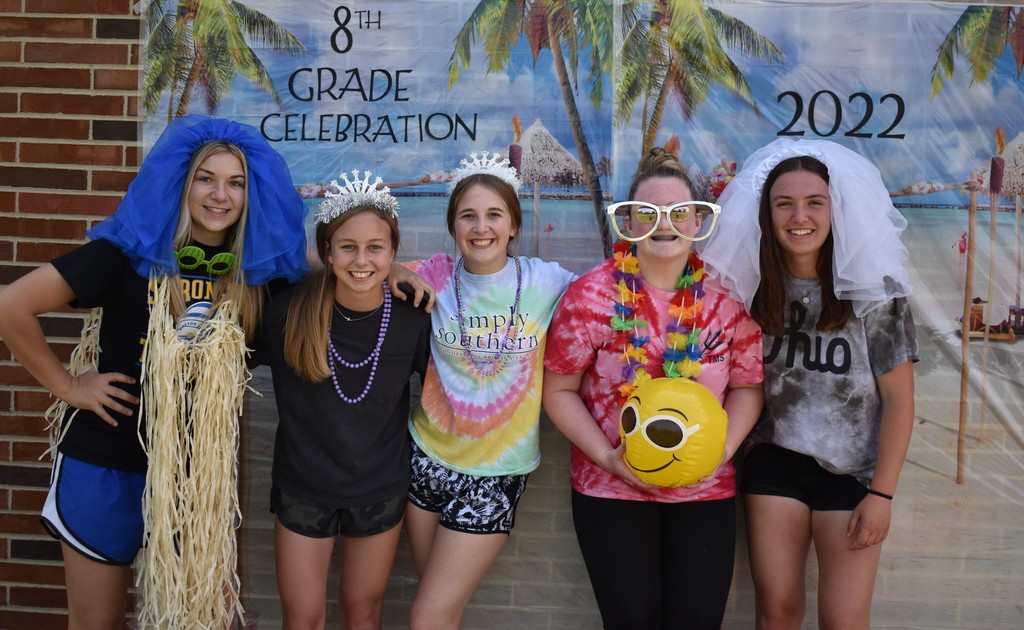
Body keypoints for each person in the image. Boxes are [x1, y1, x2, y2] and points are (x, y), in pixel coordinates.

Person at [0, 115, 309, 630]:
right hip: (106, 464)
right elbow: (11, 306)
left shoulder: (257, 274)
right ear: (180, 183)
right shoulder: (127, 255)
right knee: (96, 623)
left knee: (194, 620)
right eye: (206, 178)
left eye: (235, 183)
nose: (220, 194)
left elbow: (337, 264)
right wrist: (69, 386)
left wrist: (388, 267)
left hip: (195, 477)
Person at [698, 138, 918, 629]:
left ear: (836, 209)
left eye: (815, 202)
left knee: (843, 619)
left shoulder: (876, 290)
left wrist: (882, 495)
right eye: (785, 203)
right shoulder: (750, 286)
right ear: (767, 213)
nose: (800, 216)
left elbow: (900, 399)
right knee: (777, 612)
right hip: (774, 461)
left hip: (852, 473)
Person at [542, 147, 765, 630]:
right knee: (631, 620)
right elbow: (558, 390)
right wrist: (608, 459)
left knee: (696, 621)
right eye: (648, 212)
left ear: (698, 220)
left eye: (678, 212)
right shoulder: (590, 297)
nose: (664, 224)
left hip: (705, 492)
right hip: (610, 490)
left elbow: (748, 387)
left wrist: (722, 451)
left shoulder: (729, 298)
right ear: (628, 221)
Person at [249, 169, 431, 630]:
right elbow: (246, 257)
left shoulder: (412, 318)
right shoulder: (288, 312)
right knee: (303, 618)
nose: (361, 260)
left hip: (379, 487)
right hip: (304, 486)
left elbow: (452, 392)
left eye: (376, 248)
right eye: (347, 247)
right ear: (327, 252)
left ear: (393, 251)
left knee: (362, 614)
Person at [402, 151, 575, 630]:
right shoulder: (435, 274)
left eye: (494, 214)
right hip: (426, 460)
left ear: (513, 225)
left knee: (427, 616)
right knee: (440, 609)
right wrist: (394, 270)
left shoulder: (545, 280)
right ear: (453, 226)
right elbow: (361, 263)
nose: (481, 228)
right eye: (468, 216)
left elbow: (607, 298)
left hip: (496, 474)